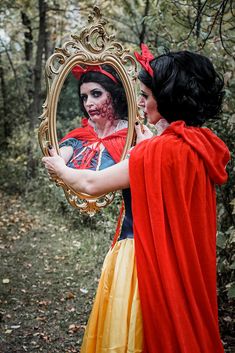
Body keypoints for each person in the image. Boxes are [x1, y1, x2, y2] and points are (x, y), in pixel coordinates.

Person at [43, 45, 230, 353]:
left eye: (145, 95)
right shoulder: (201, 146)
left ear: (168, 98)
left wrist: (61, 169)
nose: (140, 103)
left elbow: (90, 183)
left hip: (142, 262)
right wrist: (149, 146)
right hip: (187, 268)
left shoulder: (155, 152)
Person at [59, 64, 128, 170]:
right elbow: (56, 162)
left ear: (115, 96)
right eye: (84, 97)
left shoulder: (132, 137)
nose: (88, 103)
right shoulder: (79, 137)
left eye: (96, 94)